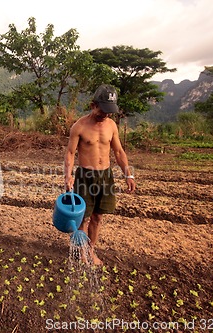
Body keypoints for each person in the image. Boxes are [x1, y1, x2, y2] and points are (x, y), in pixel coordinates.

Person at [64, 84, 136, 265]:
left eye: (109, 111)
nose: (106, 114)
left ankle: (90, 251)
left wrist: (129, 174)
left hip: (105, 177)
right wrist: (68, 175)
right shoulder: (79, 127)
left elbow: (119, 152)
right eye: (102, 110)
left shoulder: (111, 126)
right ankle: (80, 252)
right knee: (83, 217)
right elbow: (70, 153)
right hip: (85, 176)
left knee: (98, 217)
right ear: (92, 105)